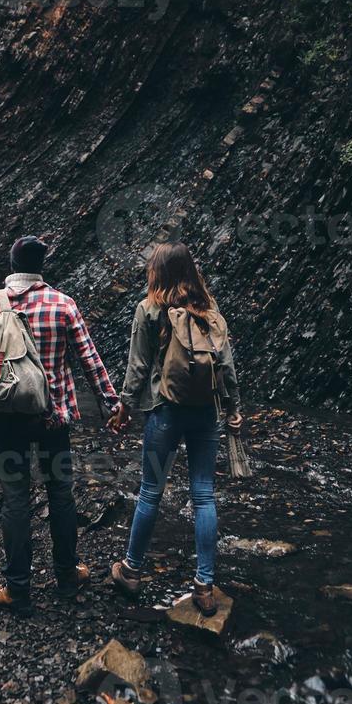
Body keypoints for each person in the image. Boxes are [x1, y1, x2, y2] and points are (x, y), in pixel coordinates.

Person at [0, 235, 121, 616]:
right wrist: (112, 404)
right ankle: (67, 575)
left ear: (13, 264)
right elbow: (90, 360)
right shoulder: (63, 304)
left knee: (15, 499)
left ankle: (17, 589)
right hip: (54, 418)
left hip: (6, 420)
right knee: (60, 493)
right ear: (42, 265)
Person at [108, 241, 242, 616]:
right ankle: (204, 583)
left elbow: (137, 366)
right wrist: (234, 408)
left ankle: (131, 570)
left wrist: (124, 408)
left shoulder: (149, 309)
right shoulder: (209, 310)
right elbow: (226, 367)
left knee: (151, 490)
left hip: (164, 410)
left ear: (158, 272)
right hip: (206, 412)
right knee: (203, 493)